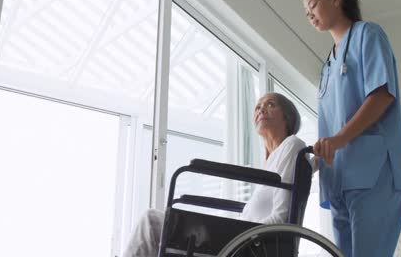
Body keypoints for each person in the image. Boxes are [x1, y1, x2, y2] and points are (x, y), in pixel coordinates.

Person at [122, 93, 307, 257]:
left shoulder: (292, 145)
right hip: (243, 239)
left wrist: (242, 237)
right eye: (258, 106)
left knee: (152, 222)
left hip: (250, 243)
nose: (261, 109)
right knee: (156, 229)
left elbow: (282, 218)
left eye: (270, 104)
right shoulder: (274, 162)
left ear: (287, 117)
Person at [302, 0, 401, 256]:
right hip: (339, 179)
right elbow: (331, 122)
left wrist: (338, 140)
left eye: (313, 5)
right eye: (306, 11)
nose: (309, 14)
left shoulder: (368, 35)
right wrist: (319, 156)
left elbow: (382, 95)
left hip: (374, 172)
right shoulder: (328, 65)